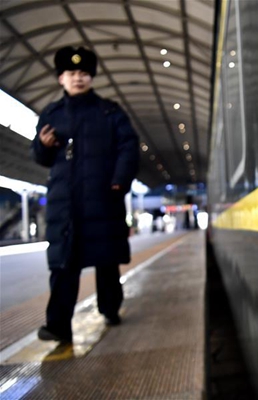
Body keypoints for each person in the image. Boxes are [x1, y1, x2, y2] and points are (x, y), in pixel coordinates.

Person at [31, 46, 139, 343]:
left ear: (91, 77)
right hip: (65, 203)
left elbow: (128, 146)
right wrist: (42, 145)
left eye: (83, 73)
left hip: (102, 197)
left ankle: (110, 308)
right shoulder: (51, 114)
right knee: (63, 264)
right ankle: (57, 325)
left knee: (106, 260)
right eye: (71, 73)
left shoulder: (109, 112)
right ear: (60, 78)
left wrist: (119, 181)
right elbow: (39, 157)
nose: (77, 78)